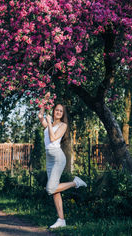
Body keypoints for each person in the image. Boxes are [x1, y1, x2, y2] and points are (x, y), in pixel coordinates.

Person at [38, 92, 87, 229]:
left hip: (58, 158)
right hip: (49, 159)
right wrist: (45, 100)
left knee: (50, 188)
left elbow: (53, 139)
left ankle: (75, 182)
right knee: (55, 191)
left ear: (62, 113)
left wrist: (48, 122)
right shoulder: (49, 123)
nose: (58, 112)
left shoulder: (63, 125)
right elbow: (40, 115)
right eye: (57, 110)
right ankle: (61, 220)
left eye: (61, 111)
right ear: (53, 111)